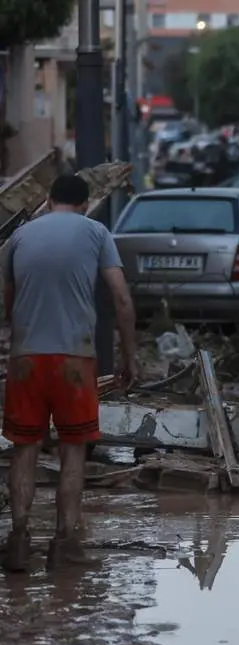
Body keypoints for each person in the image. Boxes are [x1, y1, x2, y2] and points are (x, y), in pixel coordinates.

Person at [1, 174, 139, 572]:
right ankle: (64, 547)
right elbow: (122, 299)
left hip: (26, 359)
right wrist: (129, 357)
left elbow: (7, 307)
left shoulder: (20, 238)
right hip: (75, 362)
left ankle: (18, 544)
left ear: (48, 198)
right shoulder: (96, 232)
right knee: (72, 452)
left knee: (24, 450)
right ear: (85, 203)